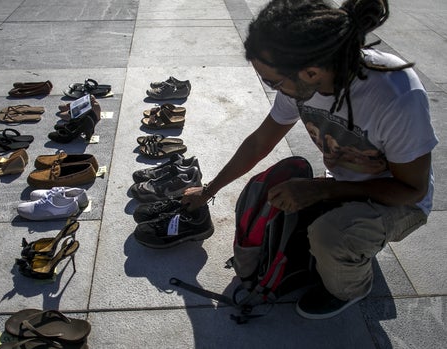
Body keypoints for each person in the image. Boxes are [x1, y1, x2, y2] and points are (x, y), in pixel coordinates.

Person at [182, 0, 438, 320]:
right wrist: (208, 190)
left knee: (330, 237)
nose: (272, 88)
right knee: (268, 200)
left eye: (273, 81)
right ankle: (344, 237)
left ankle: (352, 287)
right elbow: (260, 141)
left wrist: (320, 191)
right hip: (344, 183)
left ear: (312, 71)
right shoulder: (301, 80)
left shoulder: (396, 96)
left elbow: (411, 190)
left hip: (401, 200)